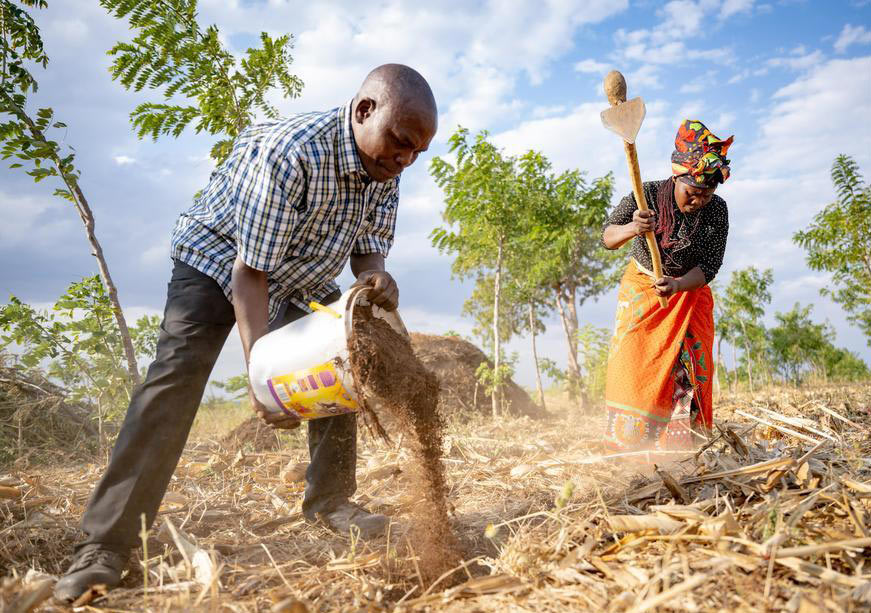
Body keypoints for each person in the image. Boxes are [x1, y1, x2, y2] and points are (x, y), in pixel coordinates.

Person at [53, 64, 438, 603]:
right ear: (365, 110)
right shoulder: (291, 153)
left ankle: (330, 502)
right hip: (218, 263)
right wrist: (264, 378)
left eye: (417, 152)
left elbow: (367, 244)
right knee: (174, 383)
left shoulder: (386, 170)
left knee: (352, 351)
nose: (405, 159)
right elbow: (249, 273)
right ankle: (105, 545)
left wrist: (375, 273)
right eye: (400, 143)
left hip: (299, 272)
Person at [601, 120, 732, 454]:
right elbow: (608, 238)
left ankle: (685, 450)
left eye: (707, 193)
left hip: (688, 293)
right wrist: (632, 227)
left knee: (690, 368)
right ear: (677, 178)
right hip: (642, 289)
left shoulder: (717, 211)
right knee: (633, 369)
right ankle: (631, 448)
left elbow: (710, 266)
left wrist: (676, 284)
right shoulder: (644, 195)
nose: (700, 200)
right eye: (693, 192)